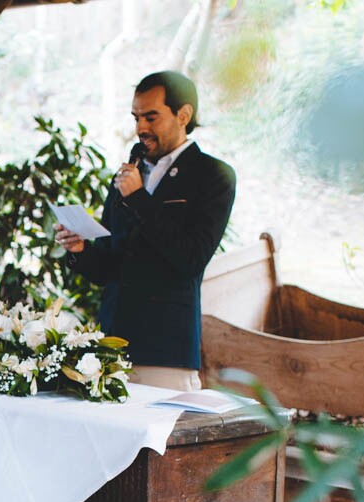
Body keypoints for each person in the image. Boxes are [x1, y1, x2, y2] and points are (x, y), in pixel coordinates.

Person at [55, 71, 236, 390]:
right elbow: (109, 267)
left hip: (166, 351)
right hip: (110, 347)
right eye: (136, 117)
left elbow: (191, 258)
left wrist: (139, 199)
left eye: (151, 117)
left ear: (184, 114)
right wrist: (80, 250)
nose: (141, 128)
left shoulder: (213, 175)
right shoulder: (127, 175)